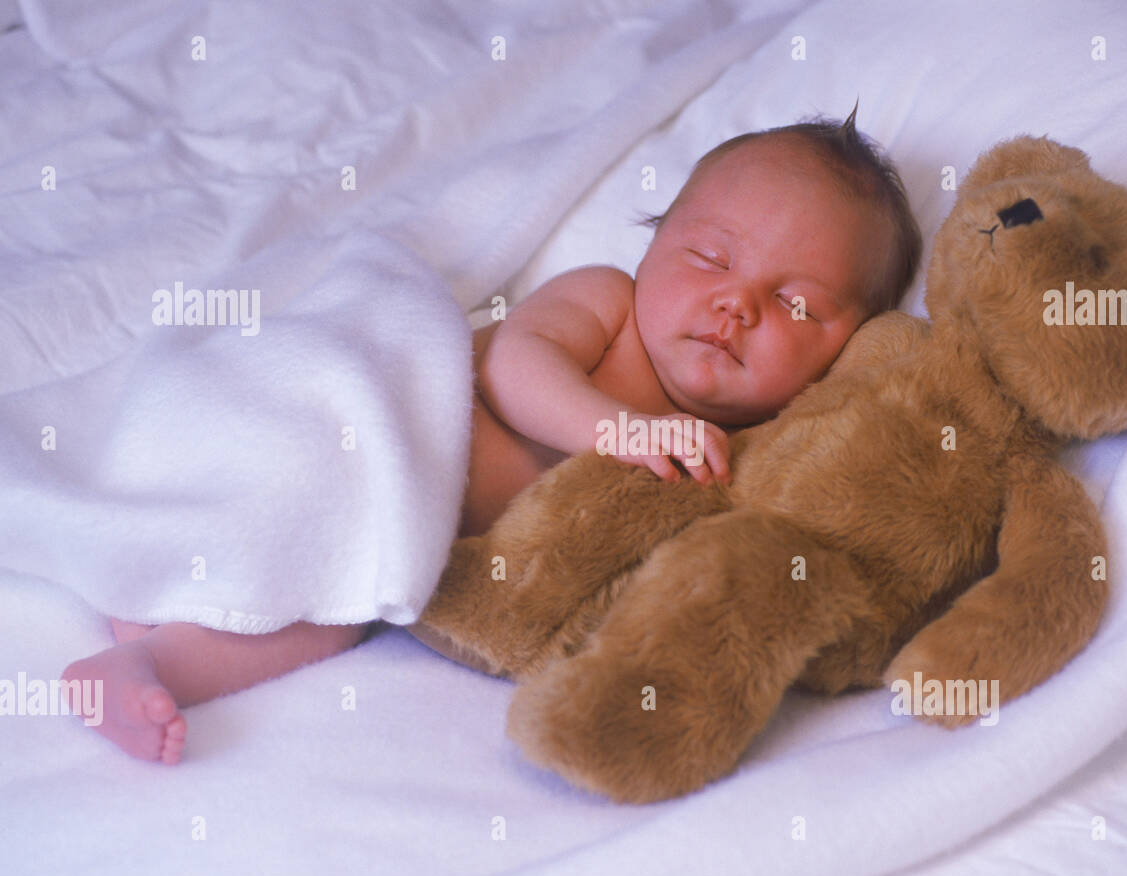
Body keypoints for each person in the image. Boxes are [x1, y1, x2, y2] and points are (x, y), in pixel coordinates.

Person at [63, 105, 923, 764]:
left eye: (798, 303)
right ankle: (158, 579)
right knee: (315, 541)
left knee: (341, 601)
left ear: (848, 347)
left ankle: (155, 649)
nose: (738, 304)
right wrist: (616, 428)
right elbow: (516, 368)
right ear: (655, 242)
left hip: (399, 530)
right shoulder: (608, 304)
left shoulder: (759, 446)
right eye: (711, 257)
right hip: (365, 421)